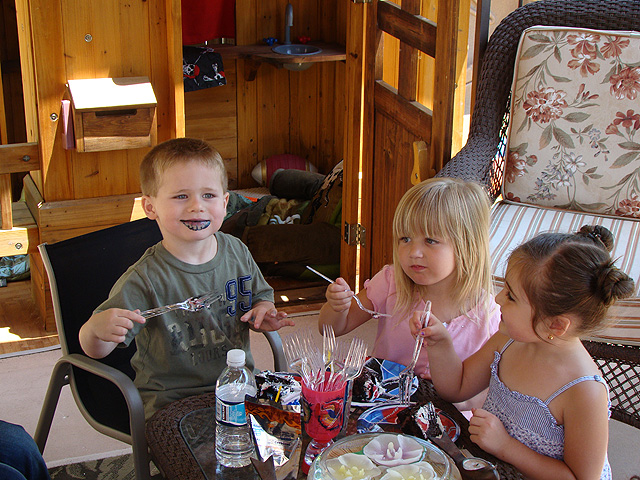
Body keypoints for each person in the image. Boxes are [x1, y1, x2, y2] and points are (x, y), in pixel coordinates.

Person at [79, 138, 294, 419]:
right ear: (150, 207)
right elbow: (95, 350)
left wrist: (263, 311)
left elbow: (261, 297)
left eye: (209, 195)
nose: (197, 206)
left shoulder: (237, 251)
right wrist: (96, 330)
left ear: (225, 202)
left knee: (296, 423)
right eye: (181, 196)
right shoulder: (145, 278)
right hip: (170, 402)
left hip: (237, 388)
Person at [414, 225, 635, 480]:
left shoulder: (584, 392)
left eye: (511, 296)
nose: (498, 299)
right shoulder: (508, 341)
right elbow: (457, 388)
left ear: (556, 325)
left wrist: (506, 447)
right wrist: (441, 343)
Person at [319, 177, 500, 408]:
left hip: (444, 418)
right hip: (380, 407)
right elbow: (332, 329)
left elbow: (490, 390)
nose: (414, 252)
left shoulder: (488, 315)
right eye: (405, 239)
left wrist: (461, 403)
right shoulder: (391, 282)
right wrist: (337, 307)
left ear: (467, 245)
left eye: (430, 240)